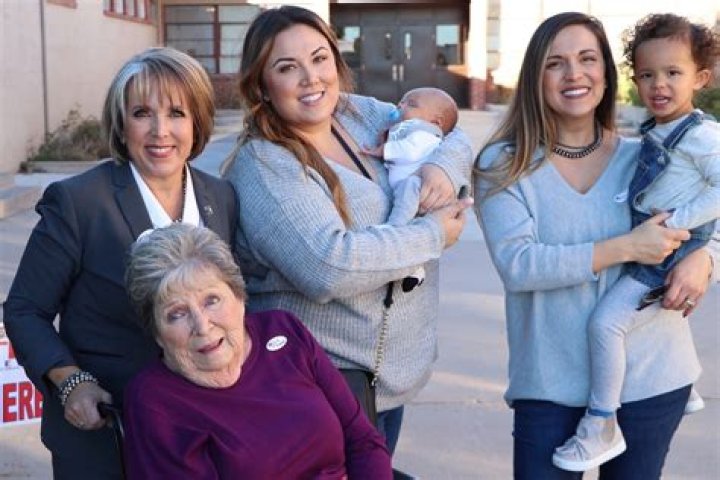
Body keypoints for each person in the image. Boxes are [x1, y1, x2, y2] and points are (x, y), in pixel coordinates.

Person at [473, 12, 718, 479]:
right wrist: (627, 247)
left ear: (606, 73)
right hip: (549, 384)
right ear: (535, 77)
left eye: (587, 59)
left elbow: (710, 213)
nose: (574, 74)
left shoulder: (646, 157)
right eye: (555, 63)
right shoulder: (505, 164)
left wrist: (707, 259)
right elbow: (519, 265)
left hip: (652, 377)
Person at [222, 6, 473, 454]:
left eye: (319, 59)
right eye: (287, 67)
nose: (311, 78)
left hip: (387, 381)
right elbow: (328, 266)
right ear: (261, 85)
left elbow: (450, 131)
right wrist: (432, 235)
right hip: (319, 388)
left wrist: (440, 167)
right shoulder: (264, 164)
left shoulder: (360, 114)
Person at [3, 47, 237, 479]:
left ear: (198, 121)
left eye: (177, 113)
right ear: (121, 123)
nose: (160, 131)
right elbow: (24, 310)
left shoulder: (221, 197)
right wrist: (71, 381)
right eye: (142, 113)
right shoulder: (79, 202)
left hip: (201, 430)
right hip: (109, 429)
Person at [553, 13, 720, 472]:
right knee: (632, 318)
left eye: (673, 72)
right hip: (658, 242)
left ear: (701, 78)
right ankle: (685, 387)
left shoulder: (703, 136)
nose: (658, 84)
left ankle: (600, 422)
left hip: (668, 248)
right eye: (647, 74)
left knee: (606, 324)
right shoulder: (656, 130)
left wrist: (679, 227)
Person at [123, 223, 392, 479]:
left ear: (239, 297)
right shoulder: (155, 401)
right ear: (157, 333)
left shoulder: (284, 330)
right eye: (177, 314)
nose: (202, 326)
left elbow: (363, 441)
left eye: (211, 301)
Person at [364, 87, 460, 291]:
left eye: (411, 104)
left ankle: (394, 227)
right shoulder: (406, 129)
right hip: (409, 192)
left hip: (419, 189)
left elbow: (410, 151)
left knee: (409, 190)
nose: (401, 106)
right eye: (402, 101)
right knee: (415, 233)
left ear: (436, 122)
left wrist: (383, 150)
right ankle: (416, 271)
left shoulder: (425, 134)